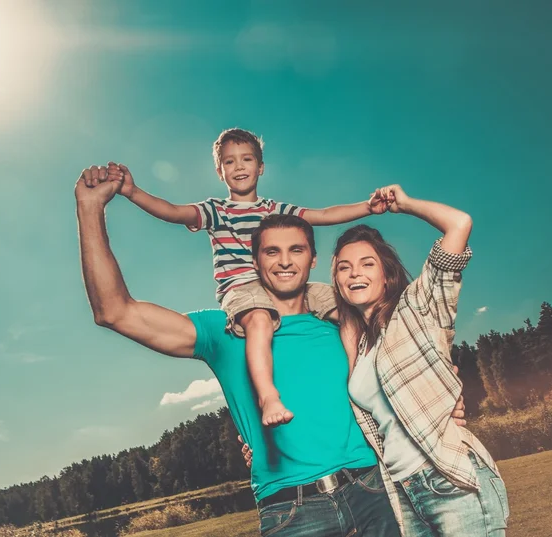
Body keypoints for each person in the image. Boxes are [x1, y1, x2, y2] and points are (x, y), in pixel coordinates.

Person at [75, 166, 405, 536]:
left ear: (313, 260)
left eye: (296, 250)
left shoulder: (343, 321)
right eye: (272, 252)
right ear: (255, 261)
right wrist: (90, 207)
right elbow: (115, 311)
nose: (284, 261)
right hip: (292, 512)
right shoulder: (227, 330)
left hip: (371, 489)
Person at [104, 127, 376, 427]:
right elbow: (172, 211)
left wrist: (368, 207)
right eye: (229, 162)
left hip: (286, 283)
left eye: (246, 159)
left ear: (260, 167)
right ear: (220, 172)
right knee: (259, 320)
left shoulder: (275, 210)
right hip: (242, 287)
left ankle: (358, 374)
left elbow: (324, 215)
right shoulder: (216, 210)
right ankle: (268, 395)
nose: (239, 167)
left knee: (345, 307)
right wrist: (132, 192)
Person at [332, 185, 510, 536]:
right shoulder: (359, 344)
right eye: (344, 268)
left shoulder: (418, 308)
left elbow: (459, 224)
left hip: (449, 478)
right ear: (336, 280)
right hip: (404, 491)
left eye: (367, 264)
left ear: (387, 273)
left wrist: (406, 204)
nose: (355, 274)